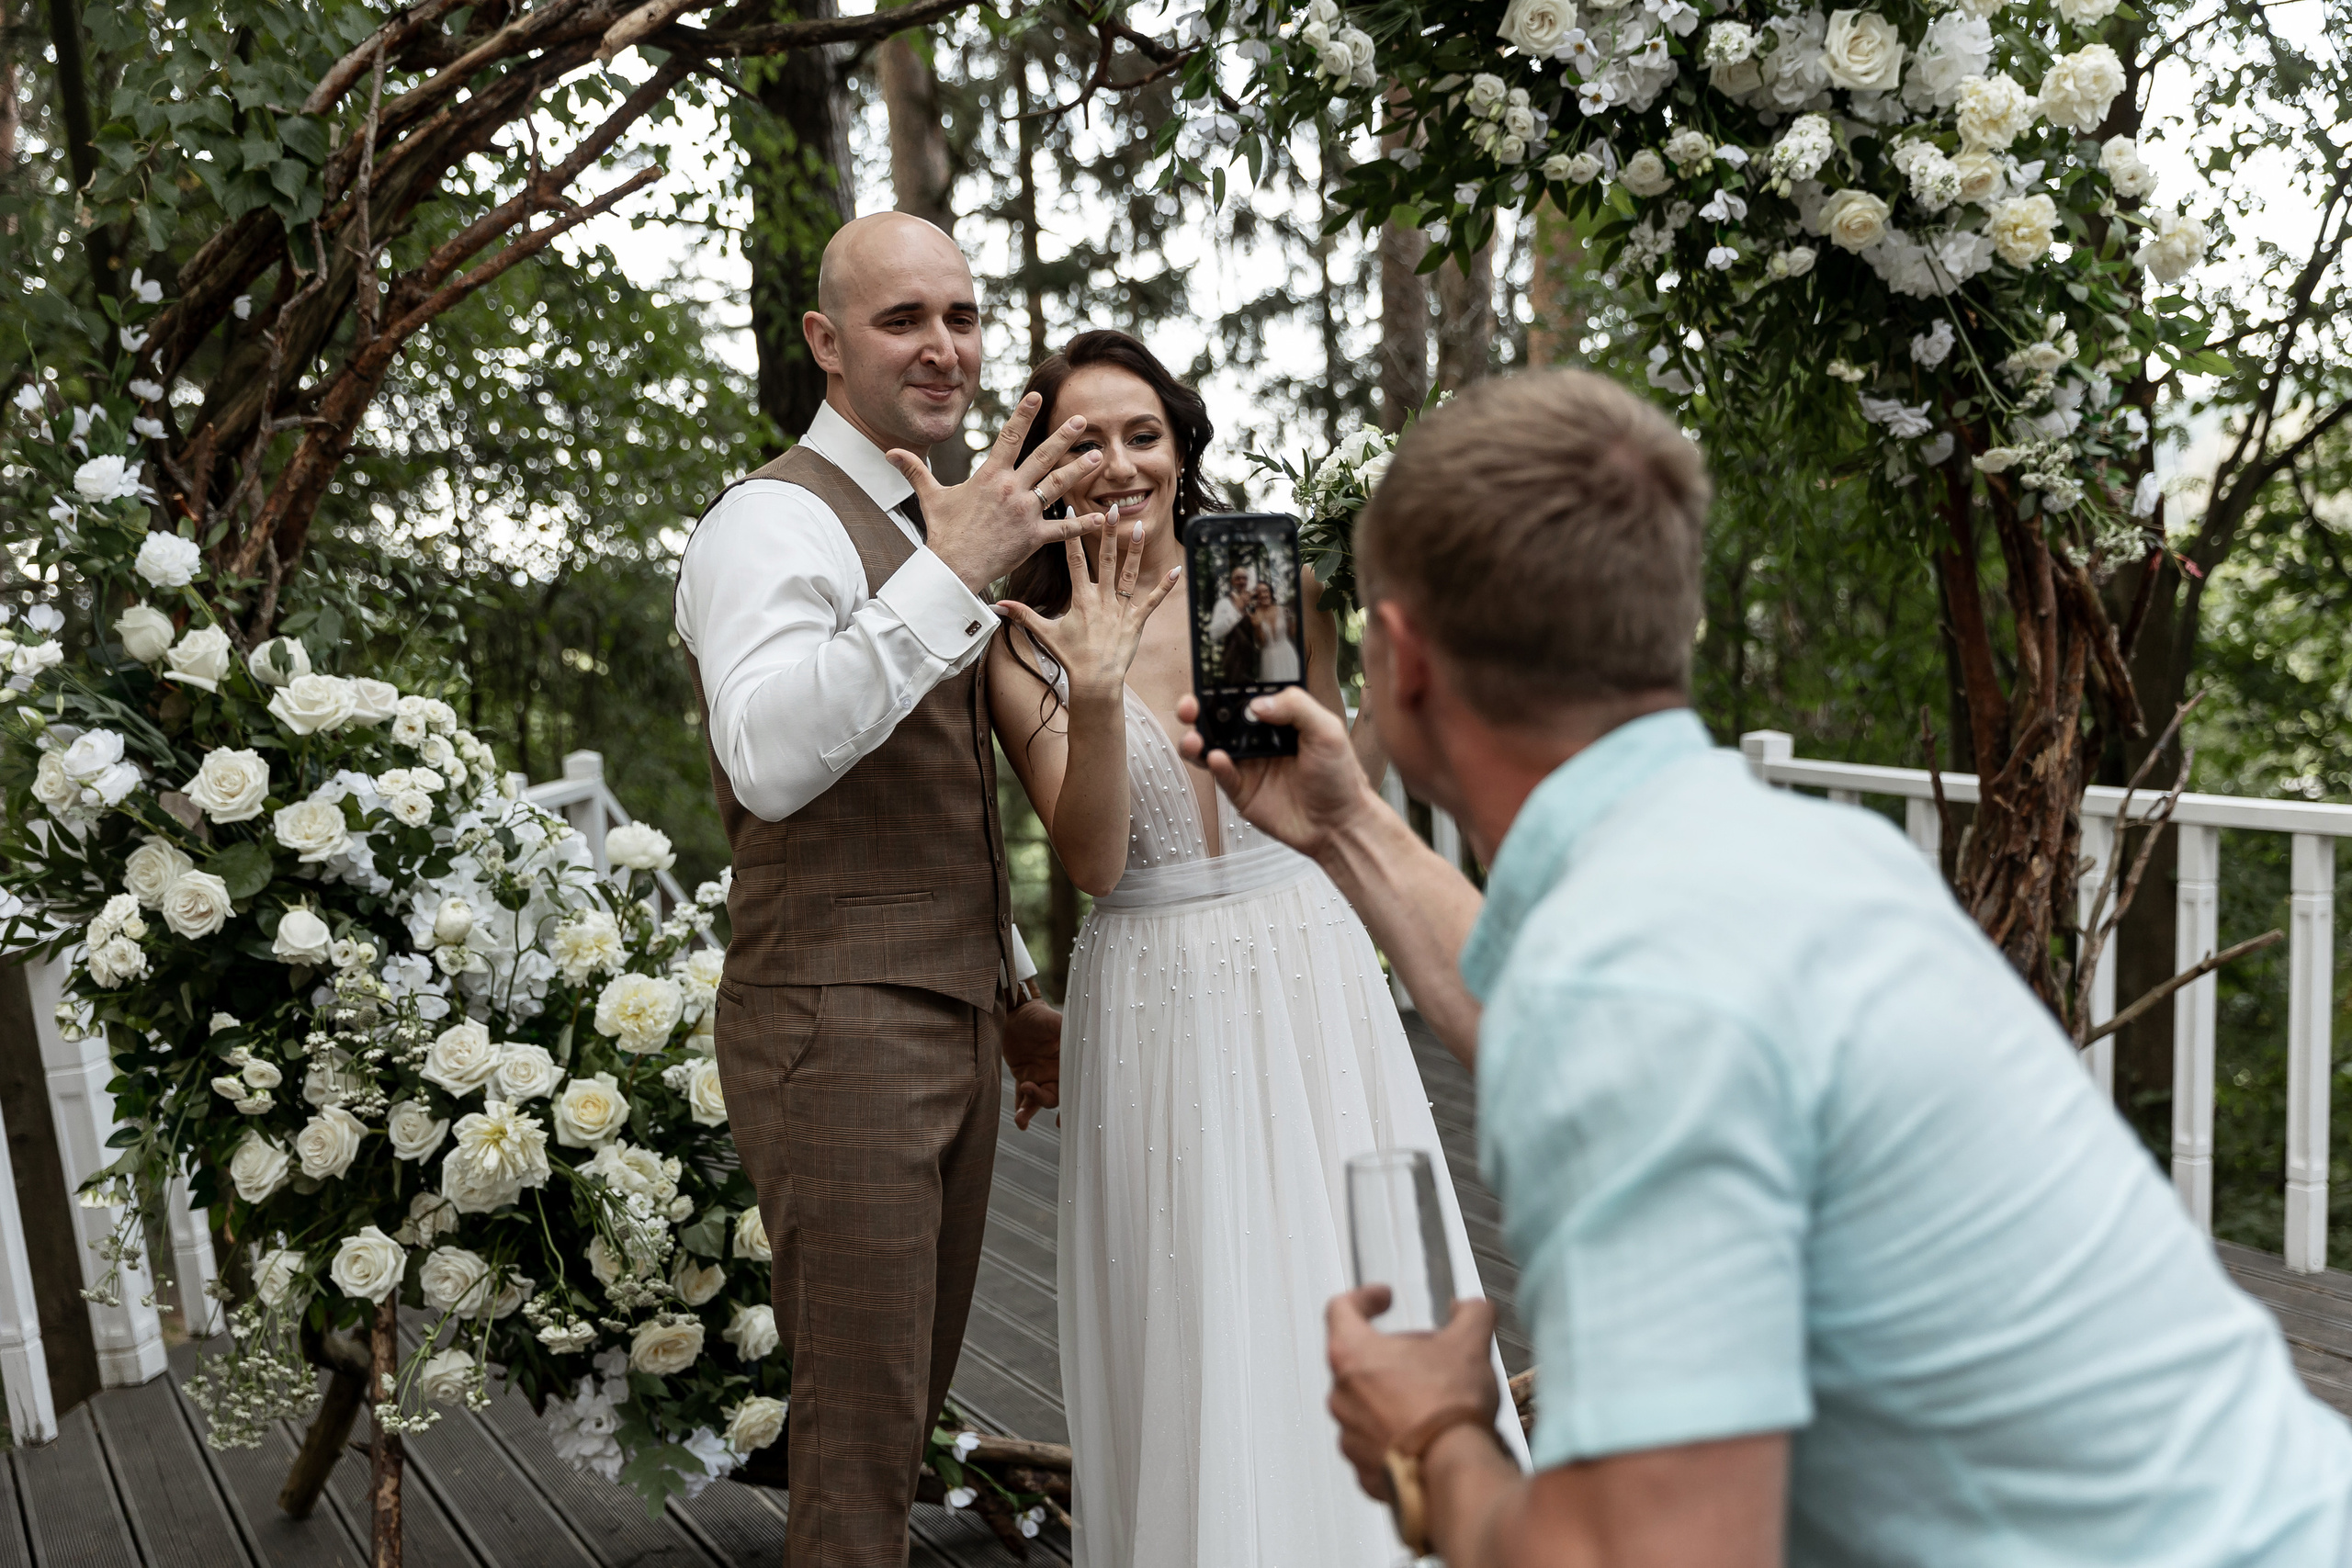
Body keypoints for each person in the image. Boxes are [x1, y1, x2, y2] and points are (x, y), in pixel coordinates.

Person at [1180, 367, 2352, 1566]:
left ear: (1402, 657)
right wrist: (1339, 822)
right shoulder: (1800, 853)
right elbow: (1552, 1004)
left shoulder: (1624, 987)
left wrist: (1435, 1442)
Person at [984, 329, 1528, 1568]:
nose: (1117, 462)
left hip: (1310, 953)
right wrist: (1100, 686)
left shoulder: (1252, 583)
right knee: (1197, 1293)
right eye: (1083, 440)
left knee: (1345, 1253)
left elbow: (1331, 784)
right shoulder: (1023, 638)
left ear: (1181, 448)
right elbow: (1094, 861)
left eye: (1142, 433)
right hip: (1154, 980)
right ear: (1047, 467)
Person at [673, 211, 1110, 1567]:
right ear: (824, 341)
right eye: (902, 318)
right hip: (836, 1025)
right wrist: (953, 569)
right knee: (859, 1452)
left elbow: (937, 793)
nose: (943, 345)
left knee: (897, 1416)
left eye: (963, 316)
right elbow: (770, 755)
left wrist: (1014, 992)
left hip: (948, 1015)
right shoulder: (772, 518)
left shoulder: (931, 512)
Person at [1250, 580, 1301, 683]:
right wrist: (1258, 626)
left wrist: (1294, 619)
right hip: (1268, 657)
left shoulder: (1282, 610)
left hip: (1287, 653)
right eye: (1259, 593)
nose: (1263, 595)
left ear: (1270, 593)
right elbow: (1261, 643)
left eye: (1265, 591)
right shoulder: (1255, 616)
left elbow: (1292, 634)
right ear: (1257, 597)